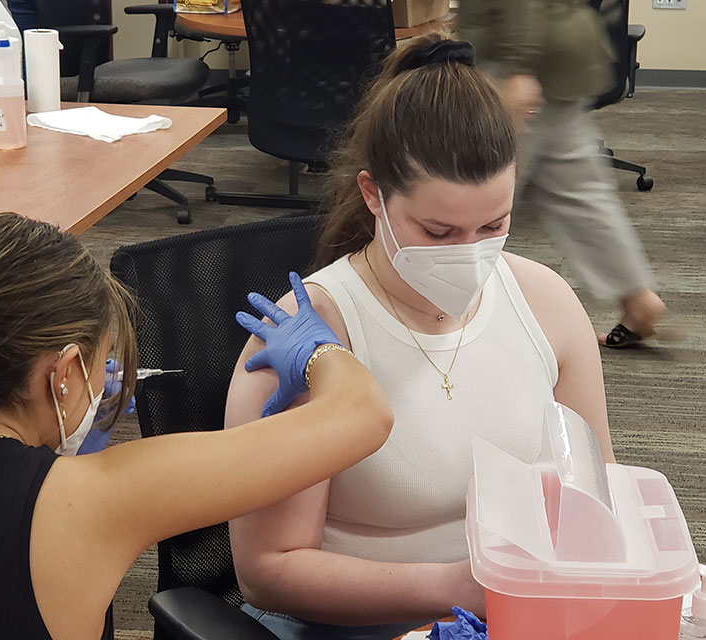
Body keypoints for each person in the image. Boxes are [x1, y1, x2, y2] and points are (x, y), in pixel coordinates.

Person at [0, 212, 393, 639]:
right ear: (66, 373)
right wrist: (315, 347)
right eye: (102, 362)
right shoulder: (93, 502)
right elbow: (363, 416)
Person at [225, 34, 616, 640]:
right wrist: (460, 588)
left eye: (494, 224)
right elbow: (266, 570)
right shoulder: (309, 338)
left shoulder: (545, 303)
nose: (470, 254)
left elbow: (598, 491)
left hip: (517, 617)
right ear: (372, 195)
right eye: (437, 231)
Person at [457, 0, 666, 348]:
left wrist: (518, 68)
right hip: (557, 53)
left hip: (523, 59)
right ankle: (637, 299)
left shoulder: (520, 62)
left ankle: (448, 310)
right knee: (579, 189)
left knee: (480, 190)